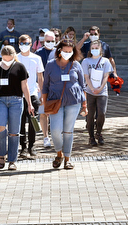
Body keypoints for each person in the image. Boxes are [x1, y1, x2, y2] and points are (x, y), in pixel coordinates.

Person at [0, 45, 34, 171]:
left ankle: (12, 160)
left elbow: (25, 87)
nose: (7, 61)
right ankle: (1, 155)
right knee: (0, 127)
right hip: (1, 100)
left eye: (9, 59)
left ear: (14, 57)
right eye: (5, 59)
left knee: (14, 132)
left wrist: (29, 104)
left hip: (16, 101)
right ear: (1, 56)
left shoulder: (20, 67)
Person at [42, 39, 87, 170]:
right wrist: (45, 105)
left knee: (68, 131)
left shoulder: (76, 64)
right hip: (55, 102)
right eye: (65, 51)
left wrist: (85, 105)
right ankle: (59, 153)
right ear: (59, 51)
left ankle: (67, 158)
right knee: (55, 130)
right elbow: (45, 86)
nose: (67, 53)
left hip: (73, 102)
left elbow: (83, 86)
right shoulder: (50, 65)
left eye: (70, 51)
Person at [16, 34, 43, 159]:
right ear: (18, 44)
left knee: (33, 120)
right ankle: (23, 147)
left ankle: (32, 145)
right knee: (20, 121)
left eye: (27, 43)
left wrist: (42, 93)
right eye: (22, 43)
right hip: (18, 94)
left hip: (32, 92)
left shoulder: (36, 58)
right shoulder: (15, 58)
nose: (24, 46)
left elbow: (40, 77)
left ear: (31, 44)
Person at [82, 39, 113, 147]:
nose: (94, 50)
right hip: (90, 91)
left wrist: (100, 88)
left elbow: (106, 76)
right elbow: (86, 76)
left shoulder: (105, 61)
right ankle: (91, 137)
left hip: (102, 92)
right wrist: (91, 88)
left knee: (101, 113)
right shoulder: (86, 61)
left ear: (100, 49)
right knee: (90, 115)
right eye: (93, 48)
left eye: (96, 48)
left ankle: (98, 133)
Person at [36, 29, 57, 148]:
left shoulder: (58, 52)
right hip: (42, 87)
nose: (50, 42)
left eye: (52, 41)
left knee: (55, 112)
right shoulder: (38, 53)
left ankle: (56, 135)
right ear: (44, 41)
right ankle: (45, 137)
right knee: (43, 113)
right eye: (48, 41)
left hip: (56, 87)